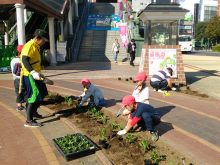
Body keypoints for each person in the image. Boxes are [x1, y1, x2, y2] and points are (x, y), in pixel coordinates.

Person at [20, 29, 49, 127]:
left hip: (37, 75)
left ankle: (33, 112)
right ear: (37, 37)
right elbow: (24, 59)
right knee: (33, 97)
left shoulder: (37, 46)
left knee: (41, 94)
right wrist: (32, 72)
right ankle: (28, 121)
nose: (44, 42)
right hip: (30, 76)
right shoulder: (30, 45)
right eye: (43, 40)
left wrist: (39, 73)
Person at [10, 45, 27, 111]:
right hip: (21, 79)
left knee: (18, 92)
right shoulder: (19, 60)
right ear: (19, 53)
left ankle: (19, 105)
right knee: (23, 92)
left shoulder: (13, 60)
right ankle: (20, 106)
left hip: (15, 79)